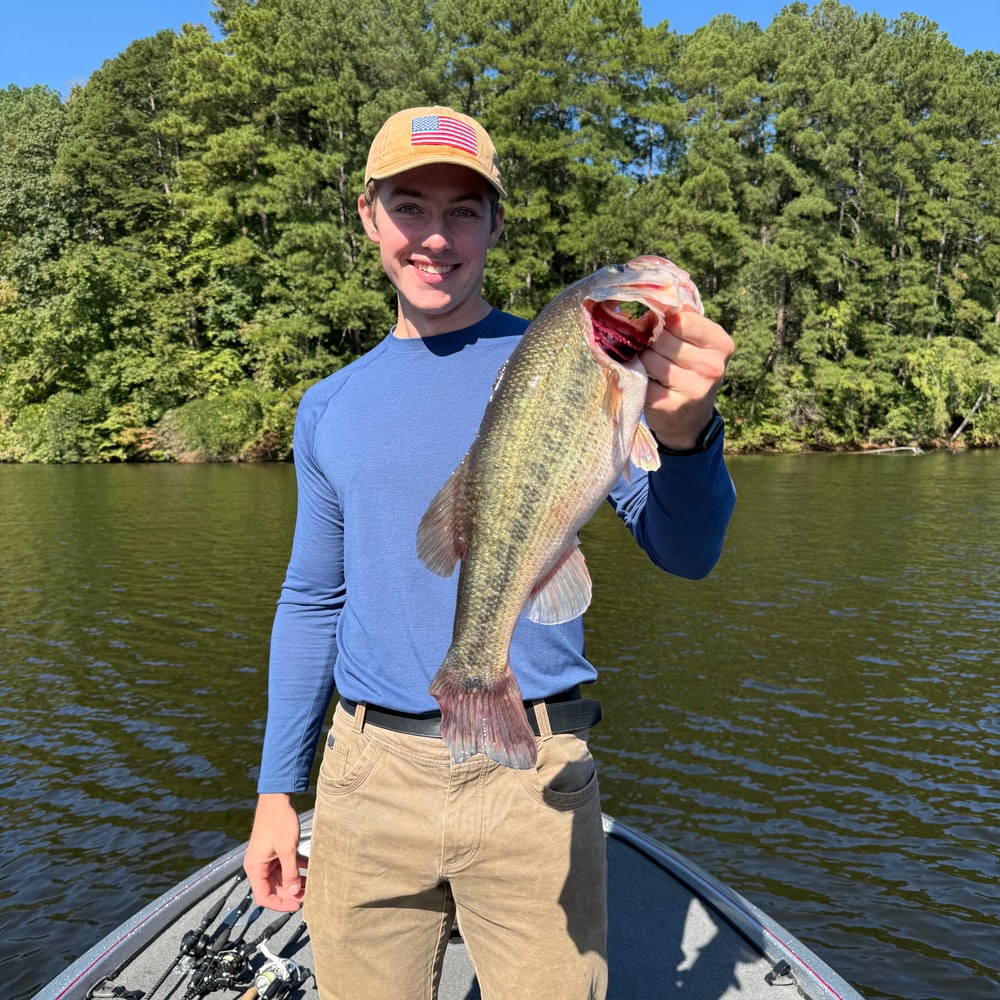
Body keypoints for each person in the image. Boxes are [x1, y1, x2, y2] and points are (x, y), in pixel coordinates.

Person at [243, 106, 737, 999]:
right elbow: (312, 601)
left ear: (496, 224)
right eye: (411, 206)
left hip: (534, 774)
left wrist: (690, 431)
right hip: (364, 780)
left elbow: (686, 550)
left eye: (464, 210)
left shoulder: (581, 358)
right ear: (368, 216)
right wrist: (279, 790)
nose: (436, 236)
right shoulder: (327, 405)